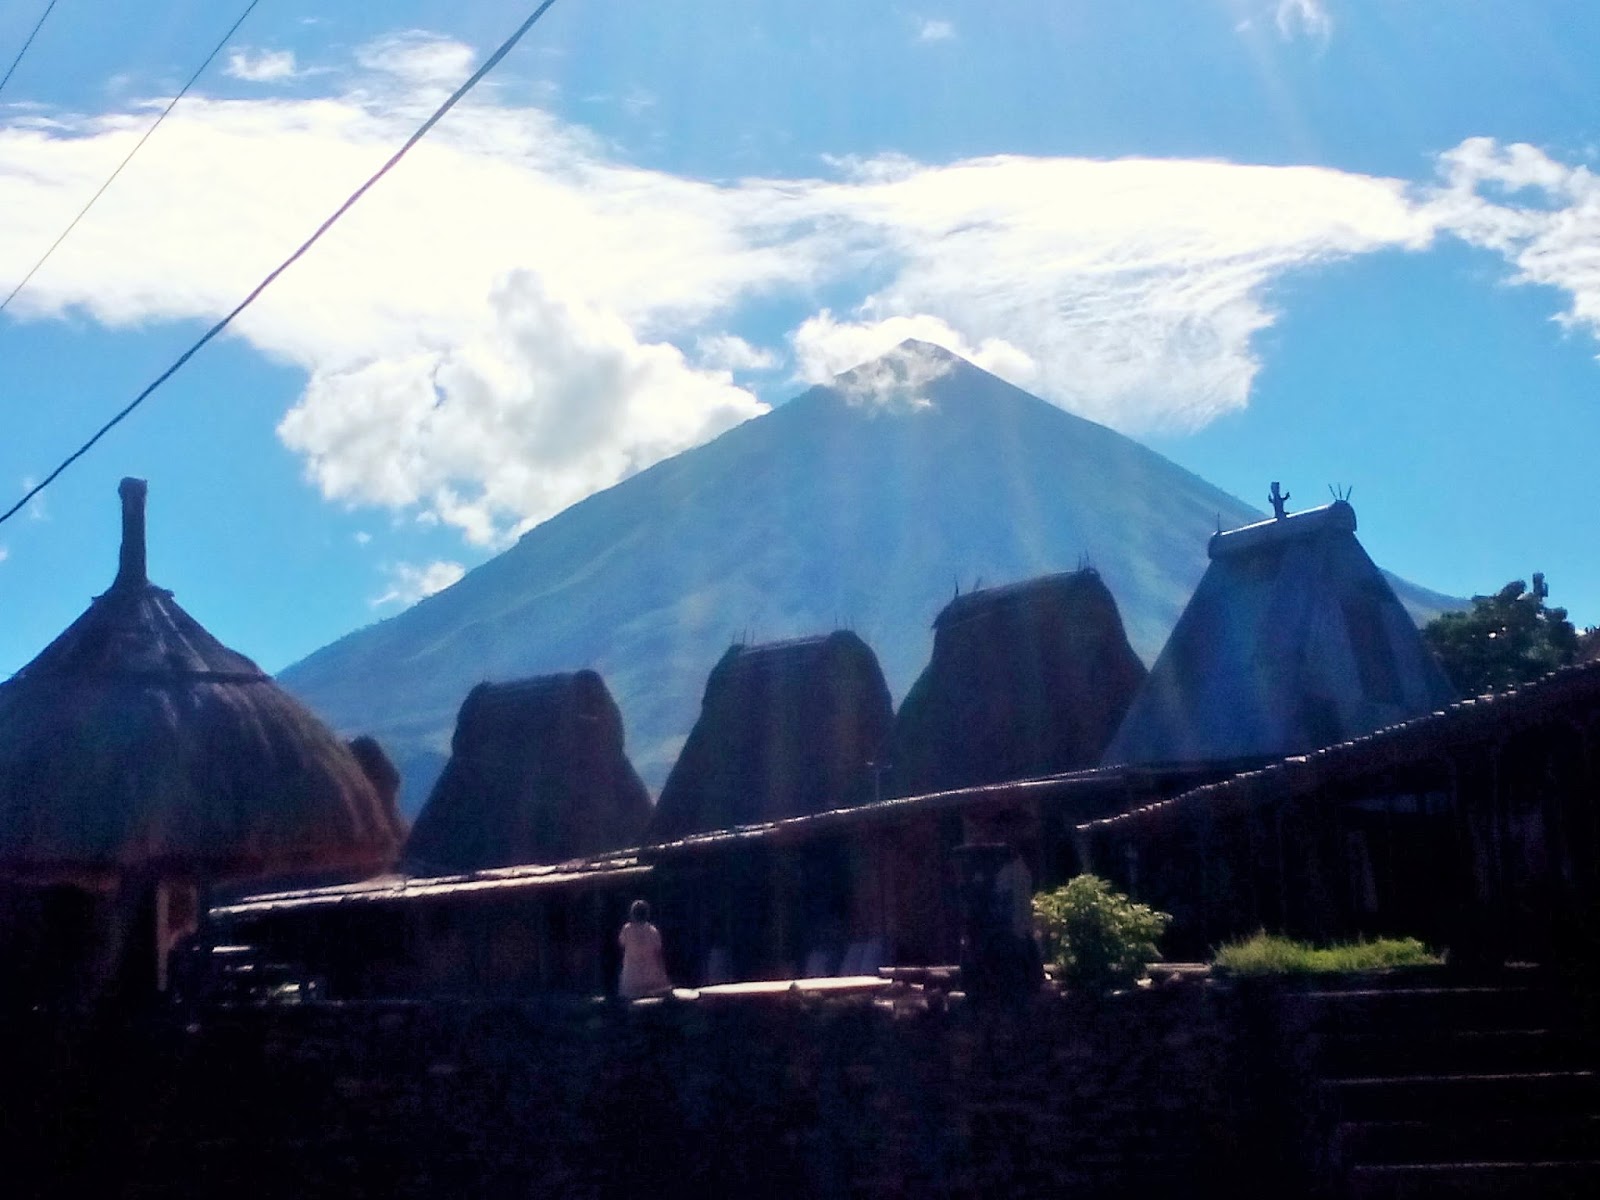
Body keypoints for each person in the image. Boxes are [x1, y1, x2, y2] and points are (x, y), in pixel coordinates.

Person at [617, 899, 673, 999]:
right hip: (650, 979)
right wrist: (664, 977)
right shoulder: (653, 931)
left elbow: (622, 944)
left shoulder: (626, 930)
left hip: (631, 980)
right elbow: (658, 955)